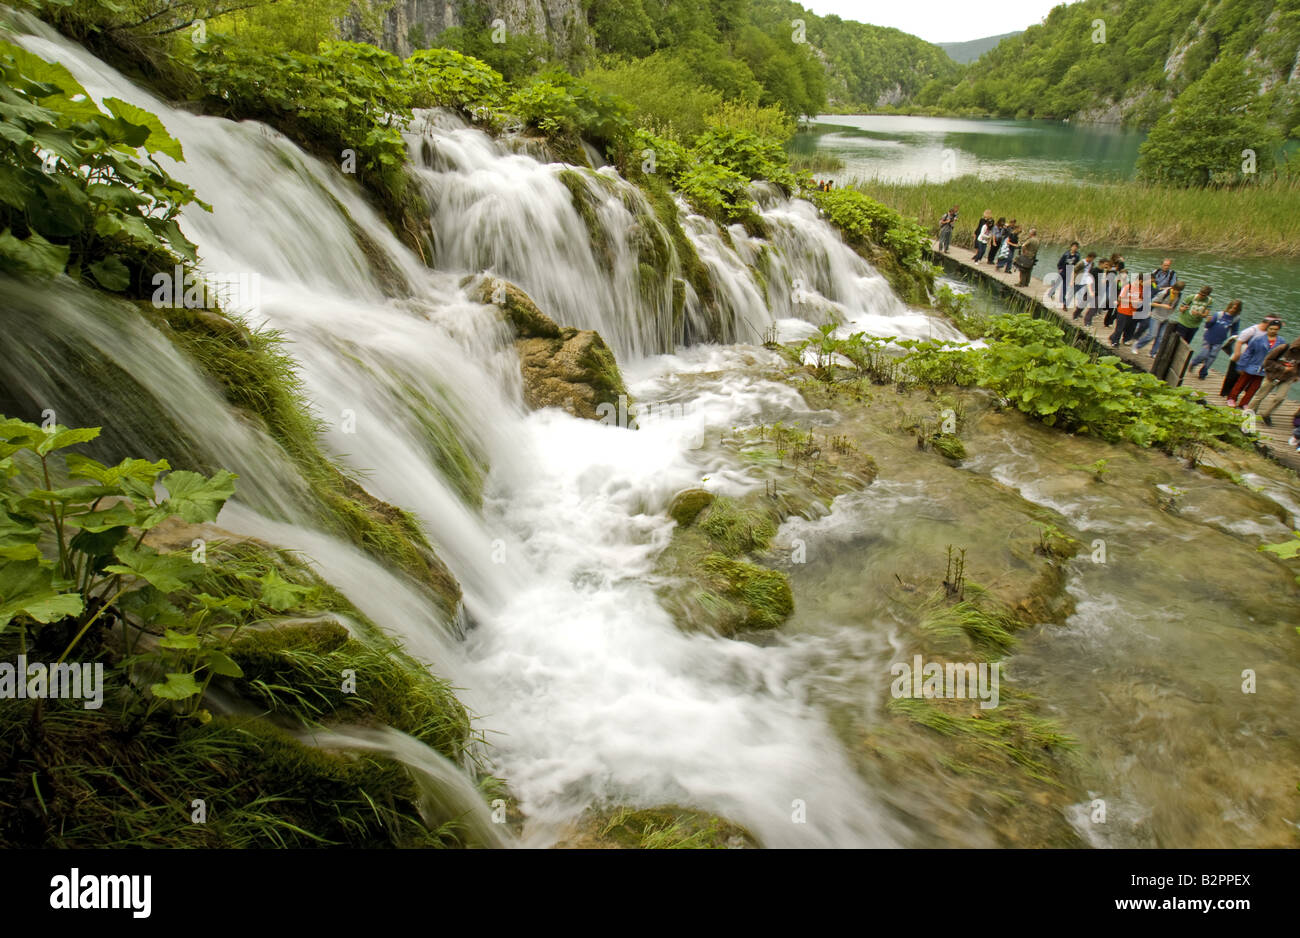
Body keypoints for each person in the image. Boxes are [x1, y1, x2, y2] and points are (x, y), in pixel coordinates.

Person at [1227, 319, 1284, 409]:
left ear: (1279, 330)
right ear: (1268, 328)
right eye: (1271, 329)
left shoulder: (1281, 342)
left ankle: (1244, 402)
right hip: (1251, 365)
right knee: (1241, 383)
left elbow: (1281, 356)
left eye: (1275, 329)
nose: (1273, 331)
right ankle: (1232, 398)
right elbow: (1248, 353)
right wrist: (1241, 366)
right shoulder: (1258, 339)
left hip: (1265, 368)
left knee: (1254, 387)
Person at [1221, 314, 1276, 396]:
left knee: (1241, 377)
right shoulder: (1252, 330)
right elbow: (1239, 341)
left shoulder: (1267, 333)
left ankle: (1232, 393)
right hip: (1241, 354)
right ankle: (1225, 392)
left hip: (1251, 358)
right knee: (1232, 375)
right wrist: (1237, 353)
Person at [1188, 300, 1242, 380]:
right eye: (1231, 308)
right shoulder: (1219, 314)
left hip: (1219, 341)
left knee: (1212, 357)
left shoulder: (1236, 319)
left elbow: (1234, 330)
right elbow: (1209, 325)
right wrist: (1208, 321)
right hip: (1208, 338)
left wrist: (1234, 338)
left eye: (1235, 309)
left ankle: (1203, 373)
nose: (1232, 310)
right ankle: (1194, 363)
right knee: (1204, 354)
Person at [1253, 338, 1300, 425]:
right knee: (1260, 396)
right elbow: (1267, 361)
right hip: (1272, 376)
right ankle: (1251, 412)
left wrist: (1297, 376)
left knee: (1280, 398)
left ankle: (1266, 414)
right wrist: (1282, 368)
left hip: (1287, 378)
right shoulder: (1283, 348)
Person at [1135, 279, 1184, 356]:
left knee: (1161, 337)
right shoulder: (1164, 293)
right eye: (1175, 290)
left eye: (1178, 291)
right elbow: (1151, 303)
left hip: (1166, 317)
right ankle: (1137, 345)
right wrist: (1162, 305)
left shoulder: (1179, 295)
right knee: (1152, 335)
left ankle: (1153, 352)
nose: (1175, 292)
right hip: (1156, 316)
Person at [1109, 272, 1144, 347]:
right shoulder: (1128, 287)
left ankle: (1114, 337)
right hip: (1123, 311)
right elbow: (1120, 299)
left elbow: (1141, 299)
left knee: (1127, 327)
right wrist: (1132, 301)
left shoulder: (1141, 289)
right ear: (1140, 280)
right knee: (1120, 328)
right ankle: (1115, 342)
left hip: (1132, 312)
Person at [1049, 241, 1080, 306]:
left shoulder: (1077, 256)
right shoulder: (1066, 254)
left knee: (1065, 286)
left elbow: (1077, 265)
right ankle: (1051, 293)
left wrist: (1074, 274)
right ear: (1071, 247)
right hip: (1063, 270)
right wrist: (1059, 268)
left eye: (1076, 247)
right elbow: (1060, 261)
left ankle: (1062, 299)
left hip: (1070, 272)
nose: (1074, 248)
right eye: (1073, 246)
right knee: (1057, 283)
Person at [1071, 253, 1097, 319]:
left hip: (1085, 282)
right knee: (1074, 293)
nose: (1093, 260)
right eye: (1092, 258)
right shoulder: (1081, 263)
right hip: (1078, 280)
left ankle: (1077, 311)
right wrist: (1072, 280)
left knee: (1081, 297)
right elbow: (1074, 271)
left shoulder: (1092, 264)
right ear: (1089, 257)